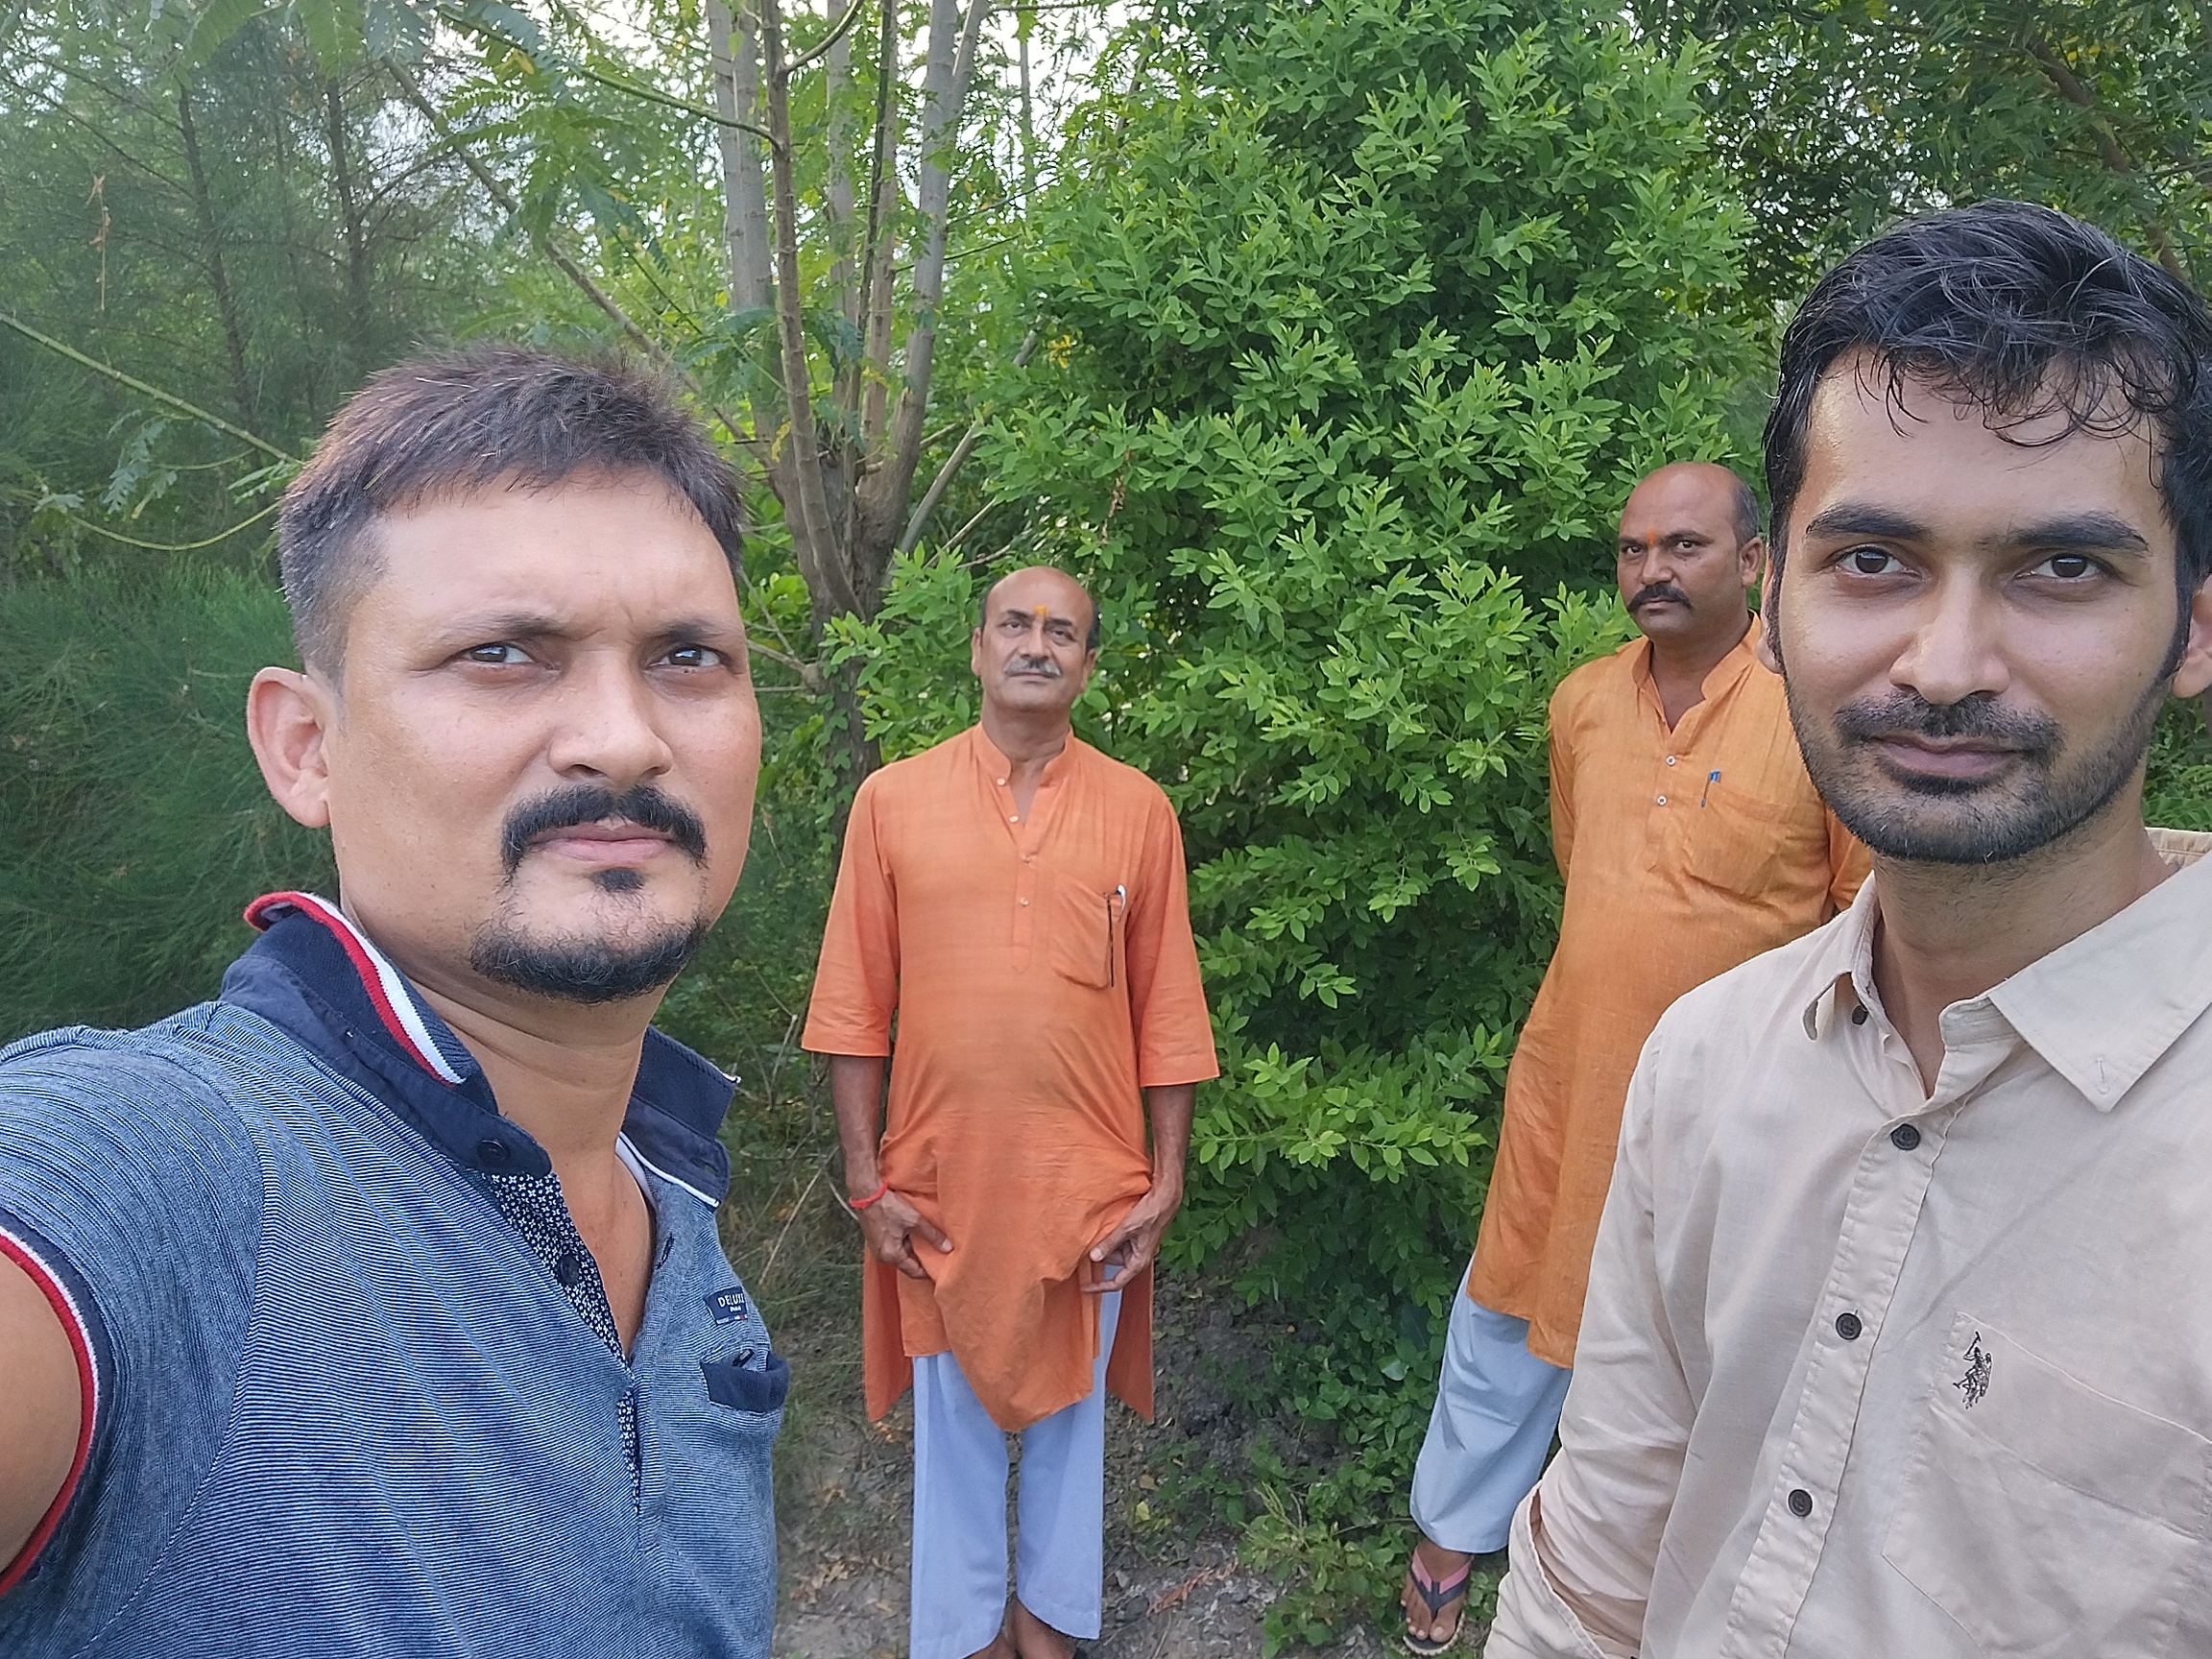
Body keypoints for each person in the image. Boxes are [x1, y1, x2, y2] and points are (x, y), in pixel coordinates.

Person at [1485, 200, 2212, 1658]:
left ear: (2194, 626)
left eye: (2062, 567)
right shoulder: (1704, 1068)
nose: (1942, 666)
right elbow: (1599, 1566)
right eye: (1874, 559)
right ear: (1779, 606)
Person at [0, 349, 784, 1656]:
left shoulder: (678, 1210)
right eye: (503, 653)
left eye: (688, 657)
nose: (625, 737)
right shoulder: (157, 1171)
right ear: (306, 747)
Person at [1400, 463, 1869, 1652]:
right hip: (1573, 1069)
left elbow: (1862, 917)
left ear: (1756, 562)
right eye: (1633, 548)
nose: (1652, 569)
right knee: (1510, 1296)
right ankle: (1450, 1534)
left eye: (1683, 546)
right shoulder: (1583, 704)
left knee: (1704, 1339)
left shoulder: (1820, 710)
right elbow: (1588, 867)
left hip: (1743, 1104)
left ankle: (1655, 1581)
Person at [803, 565, 1217, 1659]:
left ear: (1088, 664)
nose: (1038, 644)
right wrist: (866, 1183)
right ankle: (966, 1630)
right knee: (954, 1427)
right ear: (978, 648)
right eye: (1016, 625)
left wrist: (1166, 1180)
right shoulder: (893, 802)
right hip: (937, 1183)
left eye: (1062, 631)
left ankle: (1049, 1621)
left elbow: (1169, 1010)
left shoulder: (1138, 810)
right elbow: (852, 1004)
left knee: (1073, 1422)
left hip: (1090, 1186)